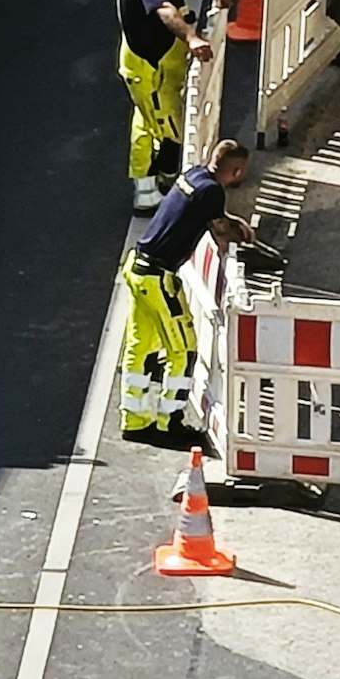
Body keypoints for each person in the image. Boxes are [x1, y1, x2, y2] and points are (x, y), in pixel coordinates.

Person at [120, 139, 255, 451]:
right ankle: (170, 423)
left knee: (139, 348)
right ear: (234, 170)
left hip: (138, 267)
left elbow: (208, 217)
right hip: (158, 277)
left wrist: (232, 222)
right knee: (184, 349)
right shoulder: (212, 192)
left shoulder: (194, 176)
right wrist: (242, 234)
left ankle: (135, 420)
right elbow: (220, 229)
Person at [119, 0, 231, 214]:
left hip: (150, 64)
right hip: (150, 67)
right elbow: (165, 11)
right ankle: (161, 187)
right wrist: (192, 38)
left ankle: (150, 188)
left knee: (147, 123)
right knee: (169, 128)